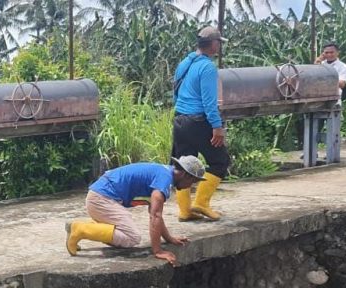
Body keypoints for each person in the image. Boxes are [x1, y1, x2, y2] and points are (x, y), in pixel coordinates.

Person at [65, 156, 206, 266]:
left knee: (125, 236)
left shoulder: (164, 174)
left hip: (100, 197)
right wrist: (158, 251)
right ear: (186, 175)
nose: (190, 186)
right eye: (193, 182)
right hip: (101, 199)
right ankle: (81, 229)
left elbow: (155, 213)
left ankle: (82, 227)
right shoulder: (164, 179)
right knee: (132, 238)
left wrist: (169, 238)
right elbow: (155, 216)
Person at [172, 26, 231, 222]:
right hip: (198, 121)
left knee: (183, 166)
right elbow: (209, 102)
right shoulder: (207, 67)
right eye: (219, 43)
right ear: (213, 44)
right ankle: (201, 203)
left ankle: (185, 210)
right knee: (220, 161)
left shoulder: (185, 63)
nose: (219, 46)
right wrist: (217, 126)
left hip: (180, 119)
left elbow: (176, 92)